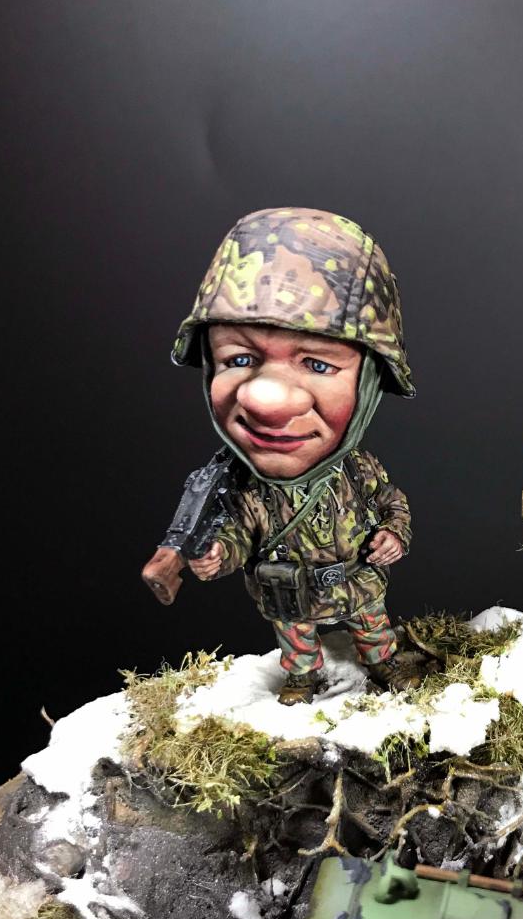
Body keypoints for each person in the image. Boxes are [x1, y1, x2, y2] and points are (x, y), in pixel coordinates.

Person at [170, 207, 419, 705]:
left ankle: (384, 663)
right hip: (291, 593)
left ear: (369, 384)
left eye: (319, 364)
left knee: (373, 627)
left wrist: (395, 534)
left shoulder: (357, 469)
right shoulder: (247, 489)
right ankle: (303, 678)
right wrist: (218, 556)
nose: (266, 399)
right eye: (239, 359)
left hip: (355, 583)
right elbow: (240, 531)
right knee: (297, 642)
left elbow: (391, 501)